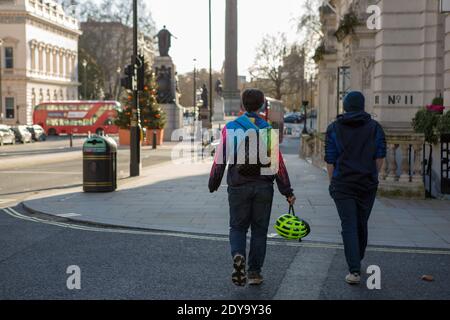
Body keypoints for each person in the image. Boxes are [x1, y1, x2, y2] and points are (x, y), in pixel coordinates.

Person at [209, 89, 296, 286]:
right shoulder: (267, 129)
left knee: (238, 227)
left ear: (242, 106)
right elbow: (277, 164)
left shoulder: (230, 128)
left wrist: (214, 182)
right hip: (264, 187)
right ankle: (255, 273)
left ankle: (238, 255)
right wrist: (287, 191)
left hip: (238, 185)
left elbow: (220, 158)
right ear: (262, 106)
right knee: (259, 230)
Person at [325, 91, 386, 285]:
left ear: (345, 106)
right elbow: (379, 157)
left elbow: (330, 159)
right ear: (362, 105)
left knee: (349, 225)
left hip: (343, 183)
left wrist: (332, 182)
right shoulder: (375, 127)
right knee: (361, 223)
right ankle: (356, 260)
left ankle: (354, 270)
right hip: (367, 183)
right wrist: (371, 175)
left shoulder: (334, 128)